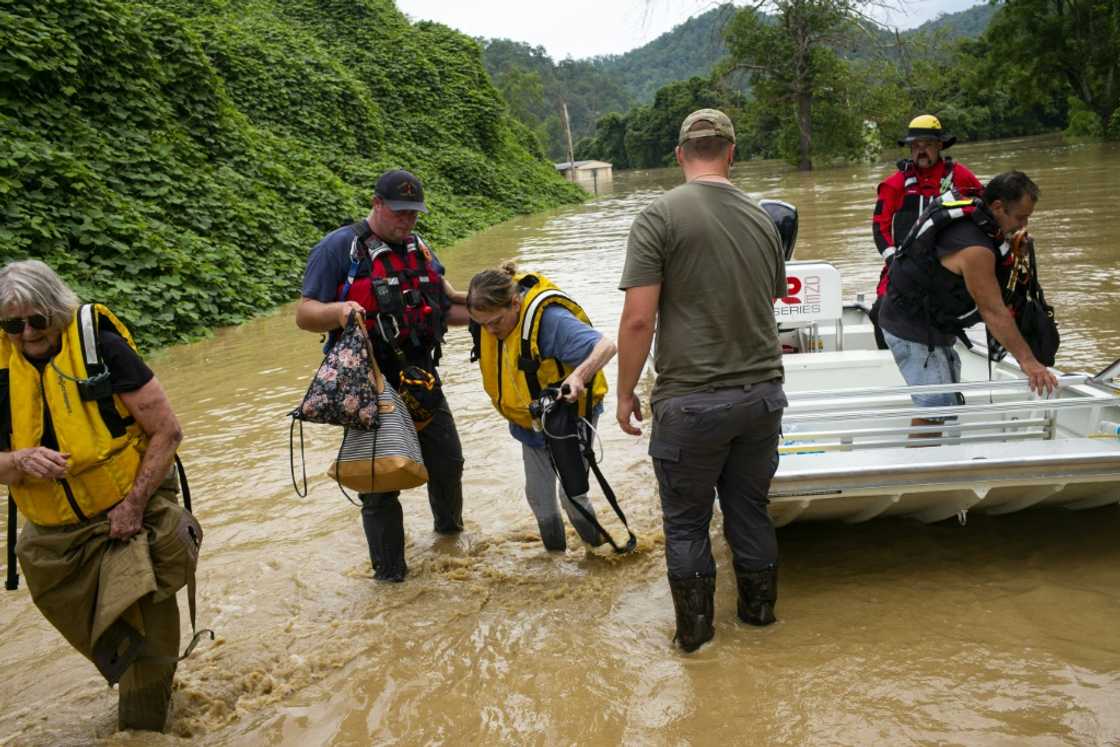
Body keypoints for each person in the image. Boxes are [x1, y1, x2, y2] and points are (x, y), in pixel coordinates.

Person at [0, 260, 201, 732]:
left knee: (148, 643)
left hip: (129, 515)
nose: (26, 333)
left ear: (58, 310)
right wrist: (17, 462)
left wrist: (132, 505)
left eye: (37, 320)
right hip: (54, 540)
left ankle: (144, 731)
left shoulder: (100, 346)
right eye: (12, 324)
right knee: (111, 641)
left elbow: (167, 432)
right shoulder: (1, 365)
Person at [615, 109, 788, 652]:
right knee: (749, 513)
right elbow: (771, 297)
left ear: (679, 154)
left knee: (688, 527)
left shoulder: (658, 217)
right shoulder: (765, 219)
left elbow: (639, 319)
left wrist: (623, 393)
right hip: (762, 396)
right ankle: (760, 623)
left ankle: (696, 643)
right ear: (731, 152)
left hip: (692, 402)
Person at [296, 169, 469, 582]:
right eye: (398, 212)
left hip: (419, 377)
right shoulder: (341, 247)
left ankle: (450, 542)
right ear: (376, 204)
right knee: (378, 484)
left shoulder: (420, 248)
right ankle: (391, 581)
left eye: (413, 214)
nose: (407, 221)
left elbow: (446, 306)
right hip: (369, 381)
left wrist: (497, 312)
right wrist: (338, 312)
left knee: (448, 462)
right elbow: (304, 313)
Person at [878, 170, 1059, 434]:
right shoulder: (975, 249)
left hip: (928, 322)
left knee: (946, 405)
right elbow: (993, 311)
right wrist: (1028, 362)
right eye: (1020, 217)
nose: (1024, 225)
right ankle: (918, 470)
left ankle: (933, 458)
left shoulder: (980, 218)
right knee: (935, 409)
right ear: (997, 207)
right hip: (911, 329)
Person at [466, 263, 616, 552]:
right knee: (538, 497)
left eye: (495, 322)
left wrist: (578, 376)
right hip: (530, 421)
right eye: (482, 324)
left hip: (567, 417)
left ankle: (599, 555)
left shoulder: (550, 320)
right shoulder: (487, 316)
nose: (489, 330)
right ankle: (555, 560)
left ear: (515, 302)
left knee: (572, 497)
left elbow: (606, 346)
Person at [870, 115, 983, 348]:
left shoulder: (961, 177)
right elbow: (879, 227)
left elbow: (988, 210)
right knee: (880, 311)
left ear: (940, 146)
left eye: (927, 145)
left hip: (947, 266)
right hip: (902, 265)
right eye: (915, 146)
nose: (921, 151)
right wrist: (892, 260)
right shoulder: (894, 184)